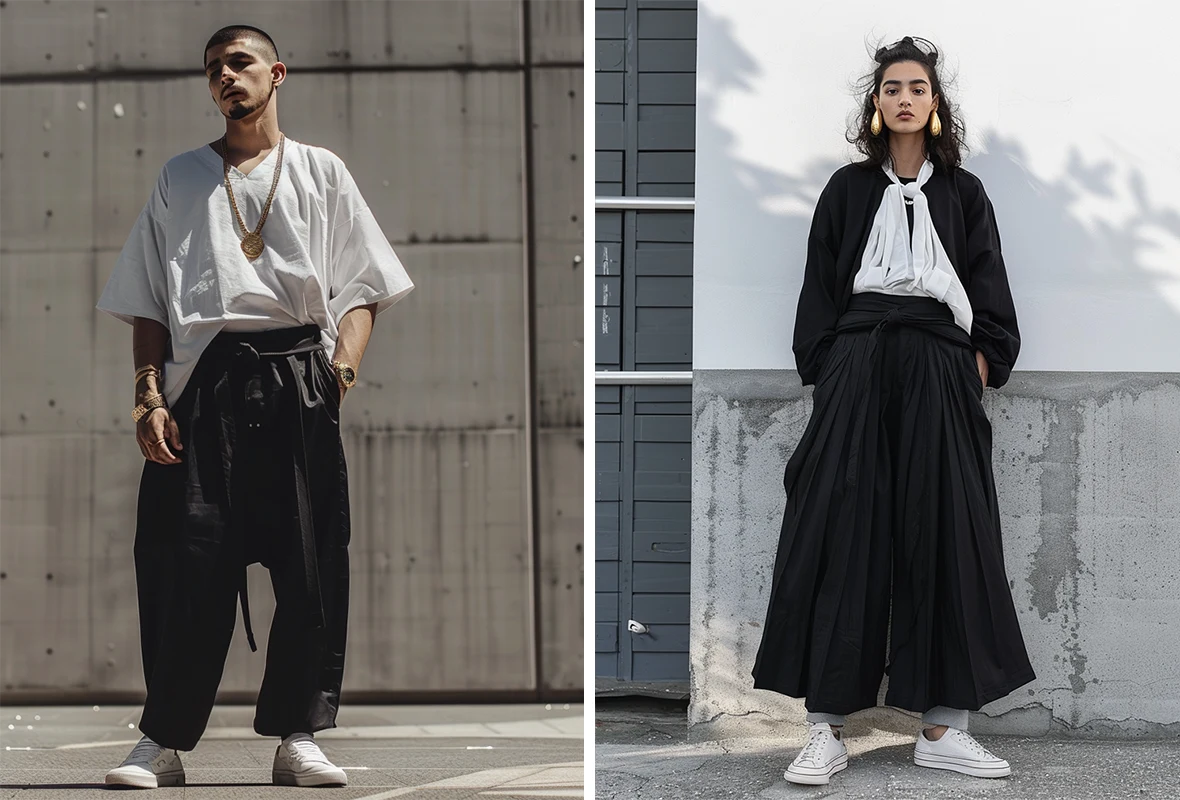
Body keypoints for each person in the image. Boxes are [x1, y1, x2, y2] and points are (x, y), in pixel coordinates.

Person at [96, 25, 414, 789]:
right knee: (183, 563)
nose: (224, 78)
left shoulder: (319, 171)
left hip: (299, 374)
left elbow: (364, 285)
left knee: (308, 566)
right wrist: (148, 394)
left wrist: (339, 372)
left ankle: (298, 735)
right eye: (213, 70)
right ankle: (161, 743)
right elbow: (148, 300)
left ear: (276, 73)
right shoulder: (180, 177)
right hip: (202, 382)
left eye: (238, 64)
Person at [750, 36, 1035, 786]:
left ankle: (944, 726)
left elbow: (988, 282)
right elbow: (819, 284)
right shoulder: (846, 189)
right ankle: (825, 728)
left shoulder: (964, 193)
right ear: (874, 105)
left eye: (916, 87)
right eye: (890, 88)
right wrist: (828, 366)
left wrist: (979, 361)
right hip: (859, 361)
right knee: (838, 532)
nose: (903, 97)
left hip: (939, 365)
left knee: (947, 535)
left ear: (935, 104)